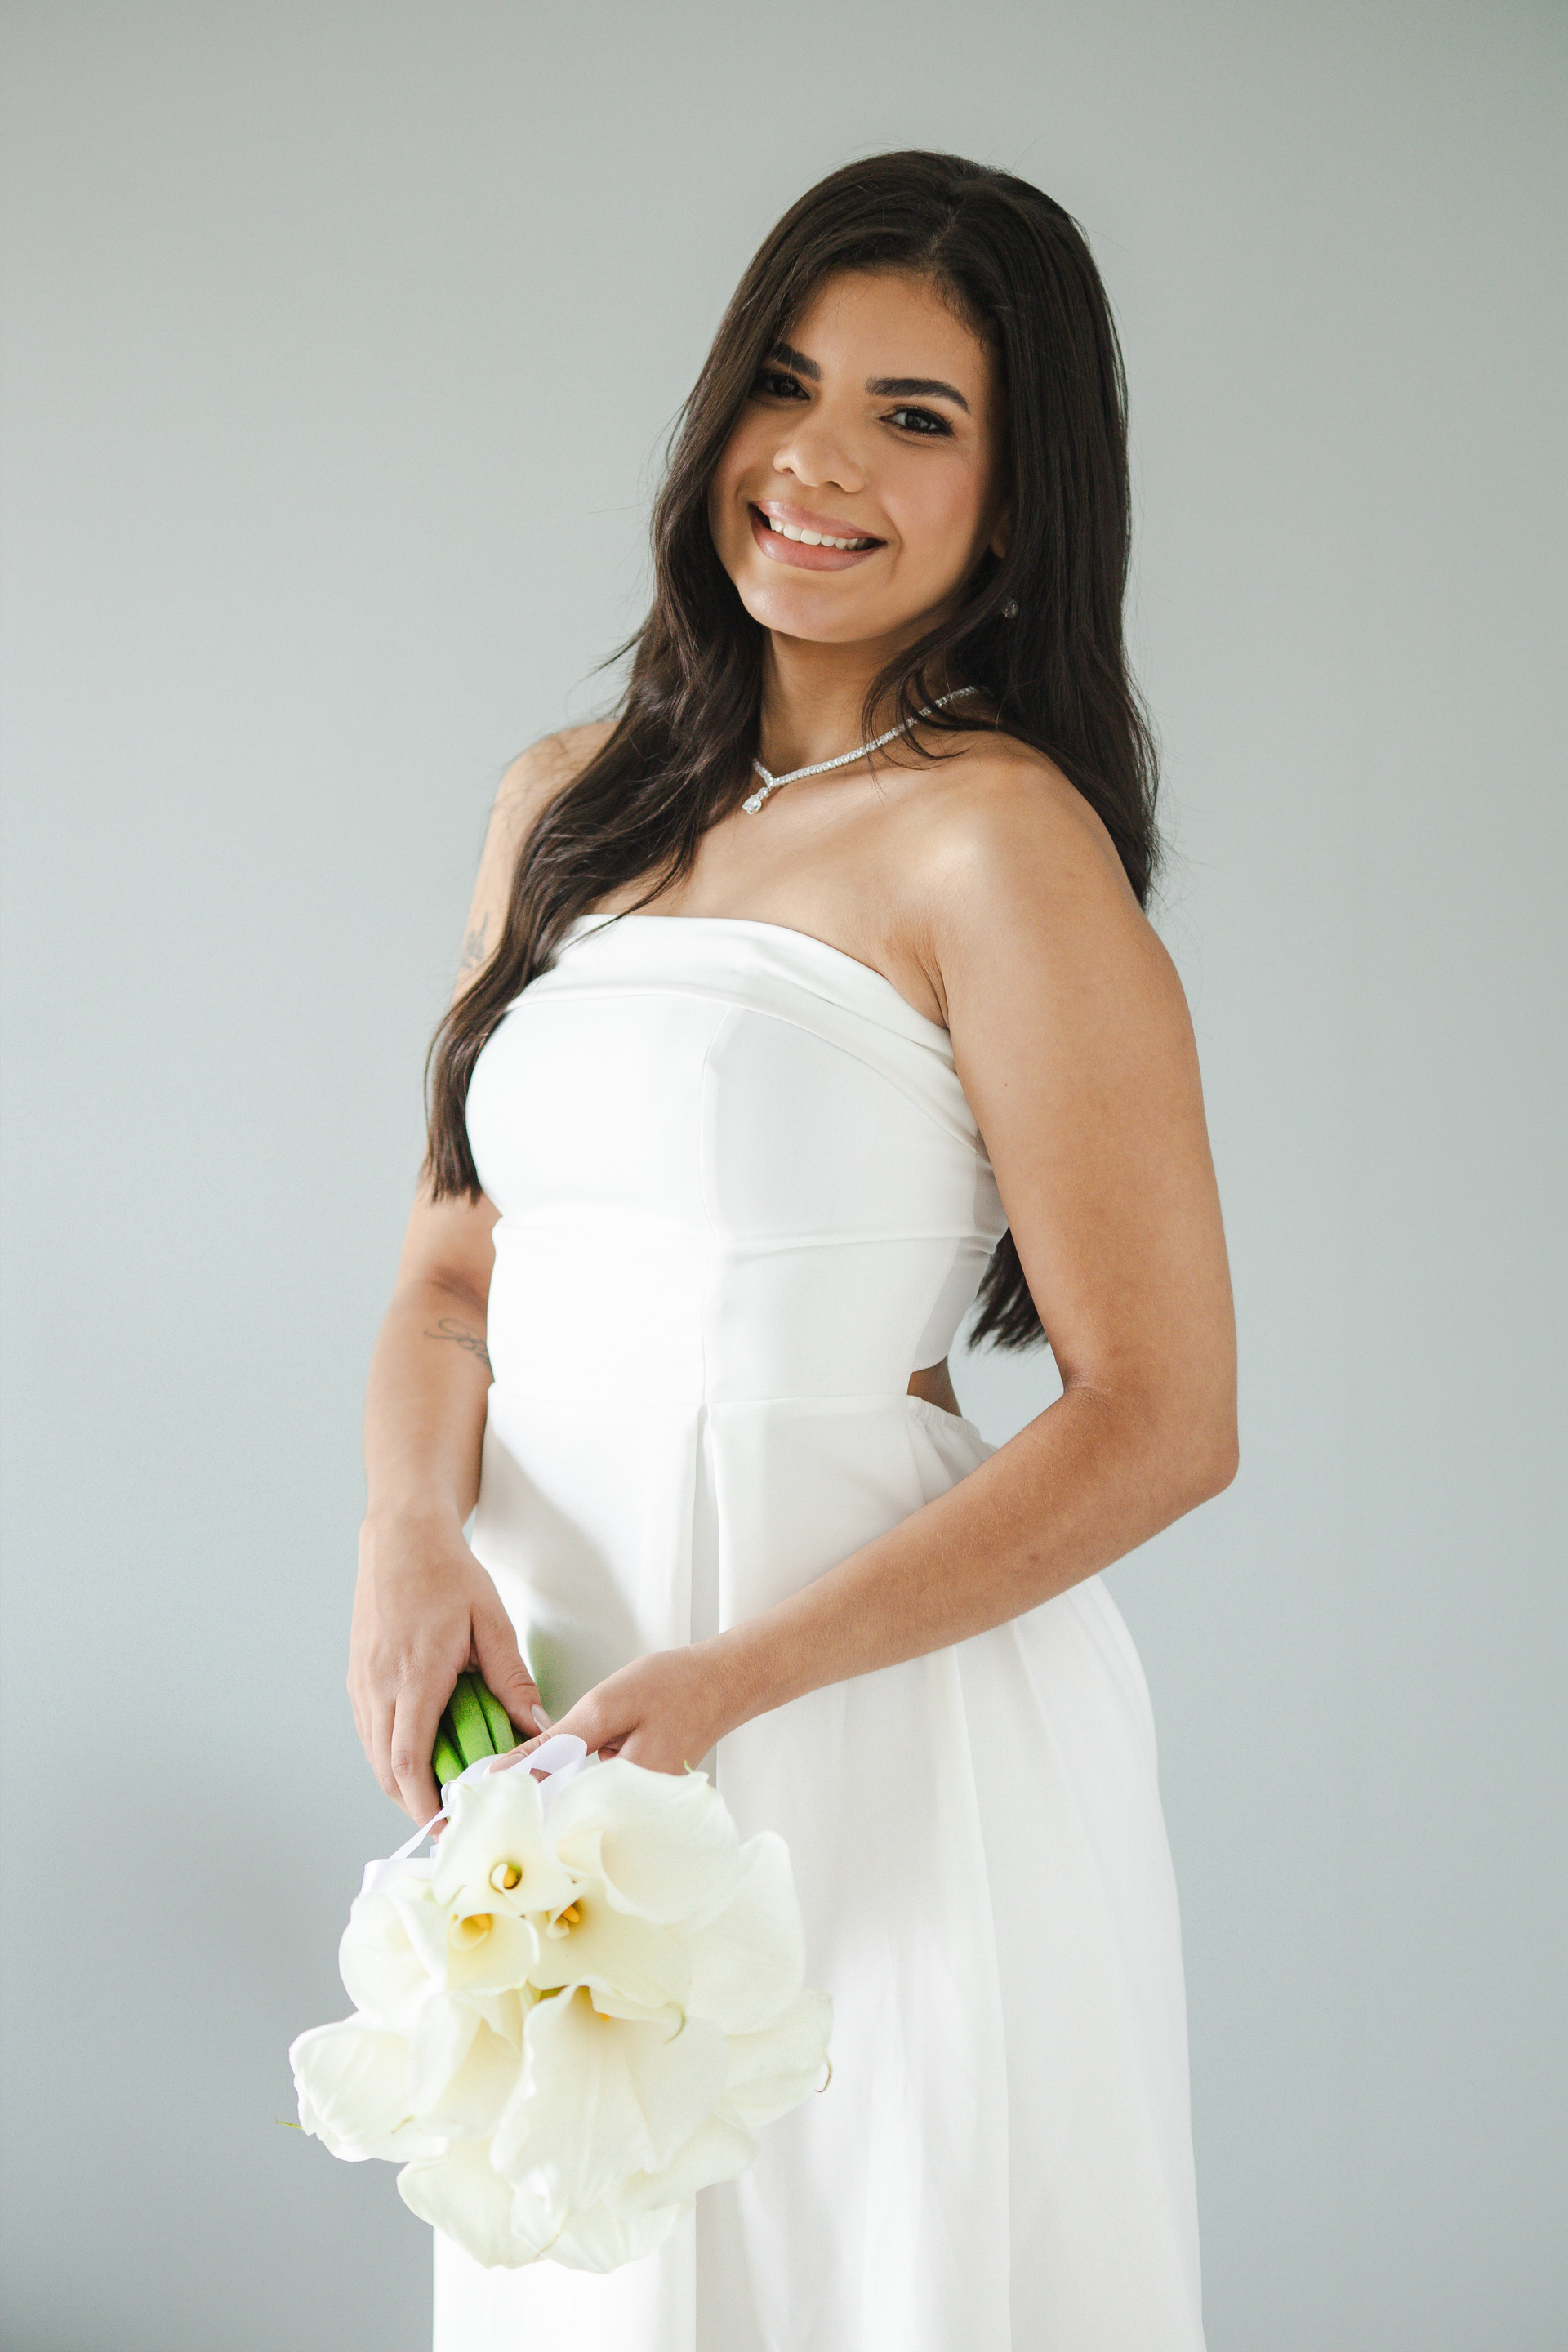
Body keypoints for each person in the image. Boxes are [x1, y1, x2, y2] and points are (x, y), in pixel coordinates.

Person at [350, 149, 1236, 2352]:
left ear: (1015, 505)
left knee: (875, 2266)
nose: (819, 463)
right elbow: (449, 1281)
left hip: (871, 1720)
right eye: (786, 381)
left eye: (915, 417)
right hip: (560, 1688)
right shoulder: (561, 805)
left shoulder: (997, 842)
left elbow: (1165, 1414)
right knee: (594, 2274)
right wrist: (410, 1542)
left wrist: (740, 1685)